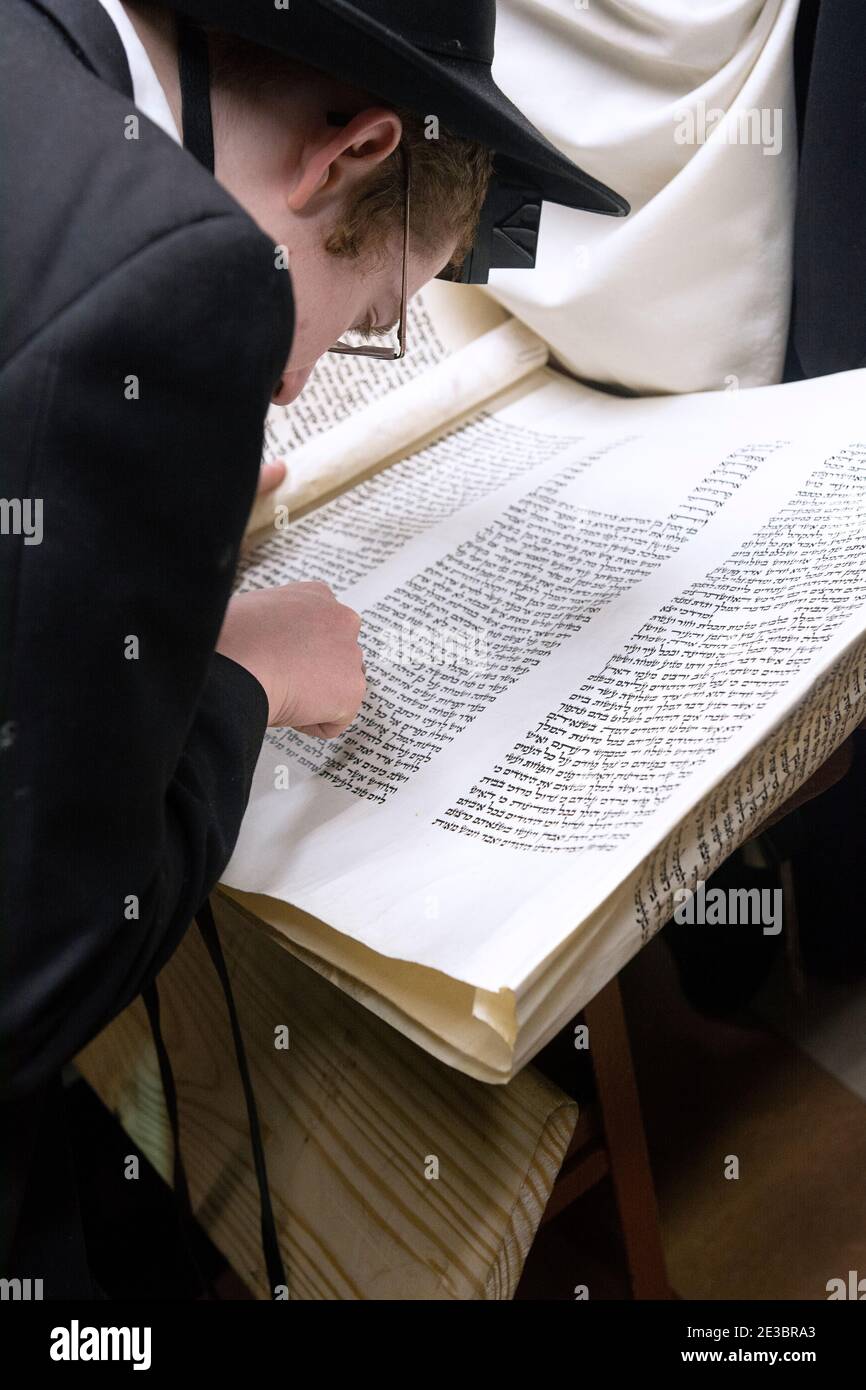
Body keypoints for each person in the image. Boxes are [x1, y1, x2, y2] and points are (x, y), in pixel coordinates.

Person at [0, 0, 627, 1298]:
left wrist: (109, 516)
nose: (297, 382)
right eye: (369, 309)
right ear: (350, 152)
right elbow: (37, 968)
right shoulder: (175, 275)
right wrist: (238, 678)